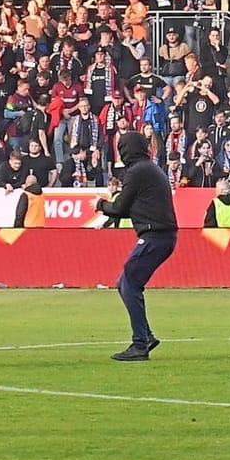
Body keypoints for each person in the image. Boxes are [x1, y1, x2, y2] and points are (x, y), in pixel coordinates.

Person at [98, 131, 177, 361]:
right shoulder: (150, 169)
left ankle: (140, 344)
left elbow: (121, 207)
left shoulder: (137, 171)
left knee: (130, 282)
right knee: (124, 282)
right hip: (162, 235)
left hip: (155, 235)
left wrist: (102, 205)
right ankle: (145, 336)